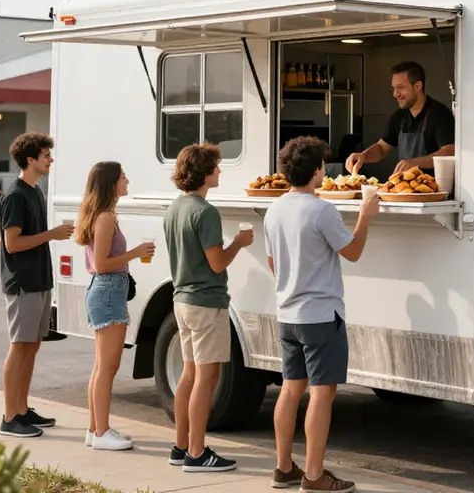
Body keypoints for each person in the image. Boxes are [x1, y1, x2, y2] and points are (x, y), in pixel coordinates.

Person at [264, 136, 380, 492]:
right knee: (321, 395)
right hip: (320, 316)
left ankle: (284, 468)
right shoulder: (322, 211)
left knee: (290, 390)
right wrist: (365, 215)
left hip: (287, 313)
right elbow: (353, 251)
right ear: (316, 171)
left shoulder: (274, 209)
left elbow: (272, 263)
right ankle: (314, 476)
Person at [163, 142, 254, 472]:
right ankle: (197, 453)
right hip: (206, 303)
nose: (219, 171)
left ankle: (181, 446)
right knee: (207, 377)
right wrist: (239, 244)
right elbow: (217, 263)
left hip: (182, 301)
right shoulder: (206, 212)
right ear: (203, 174)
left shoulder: (175, 209)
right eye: (215, 167)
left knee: (189, 375)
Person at [0, 132, 74, 438]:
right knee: (19, 347)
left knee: (32, 346)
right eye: (46, 155)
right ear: (30, 160)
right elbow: (13, 244)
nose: (50, 160)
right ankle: (9, 417)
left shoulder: (35, 191)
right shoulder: (15, 195)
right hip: (22, 284)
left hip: (40, 280)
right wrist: (52, 234)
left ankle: (21, 409)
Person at [75, 161, 155, 450]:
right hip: (108, 290)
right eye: (123, 176)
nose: (127, 180)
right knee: (107, 367)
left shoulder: (101, 214)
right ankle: (101, 433)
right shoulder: (106, 217)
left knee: (101, 366)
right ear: (111, 183)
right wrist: (135, 253)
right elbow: (102, 264)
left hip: (106, 291)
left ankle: (95, 429)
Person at [346, 61, 455, 175]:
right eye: (394, 88)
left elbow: (449, 151)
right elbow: (382, 148)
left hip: (435, 185)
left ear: (418, 86)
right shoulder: (399, 117)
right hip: (404, 185)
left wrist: (416, 163)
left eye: (400, 87)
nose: (395, 94)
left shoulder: (440, 114)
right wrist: (363, 156)